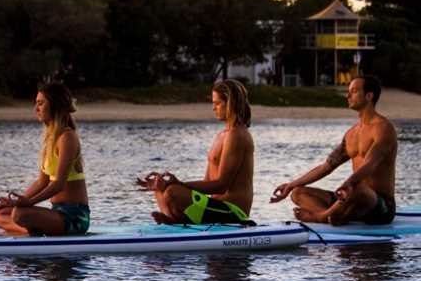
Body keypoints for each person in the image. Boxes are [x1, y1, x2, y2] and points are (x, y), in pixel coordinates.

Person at [270, 75, 397, 224]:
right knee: (298, 193)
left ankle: (321, 217)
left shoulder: (384, 129)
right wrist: (291, 185)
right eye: (348, 91)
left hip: (379, 206)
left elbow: (370, 164)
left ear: (369, 96)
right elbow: (326, 166)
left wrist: (349, 183)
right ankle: (334, 215)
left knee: (359, 188)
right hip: (351, 199)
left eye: (354, 91)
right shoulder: (351, 134)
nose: (348, 95)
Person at [137, 79, 254, 224]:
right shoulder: (221, 136)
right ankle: (176, 220)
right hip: (216, 207)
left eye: (217, 103)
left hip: (233, 212)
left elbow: (222, 185)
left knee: (172, 192)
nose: (213, 108)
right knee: (160, 187)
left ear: (230, 103)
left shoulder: (237, 135)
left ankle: (177, 220)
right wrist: (164, 184)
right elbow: (207, 182)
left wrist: (178, 184)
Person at [0, 82, 90, 236]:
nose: (36, 109)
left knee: (20, 214)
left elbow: (59, 184)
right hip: (56, 213)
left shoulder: (67, 137)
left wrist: (28, 203)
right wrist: (15, 202)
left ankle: (31, 229)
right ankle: (32, 230)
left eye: (41, 103)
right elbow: (42, 182)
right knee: (0, 214)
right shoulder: (50, 139)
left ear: (55, 105)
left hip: (74, 217)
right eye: (36, 103)